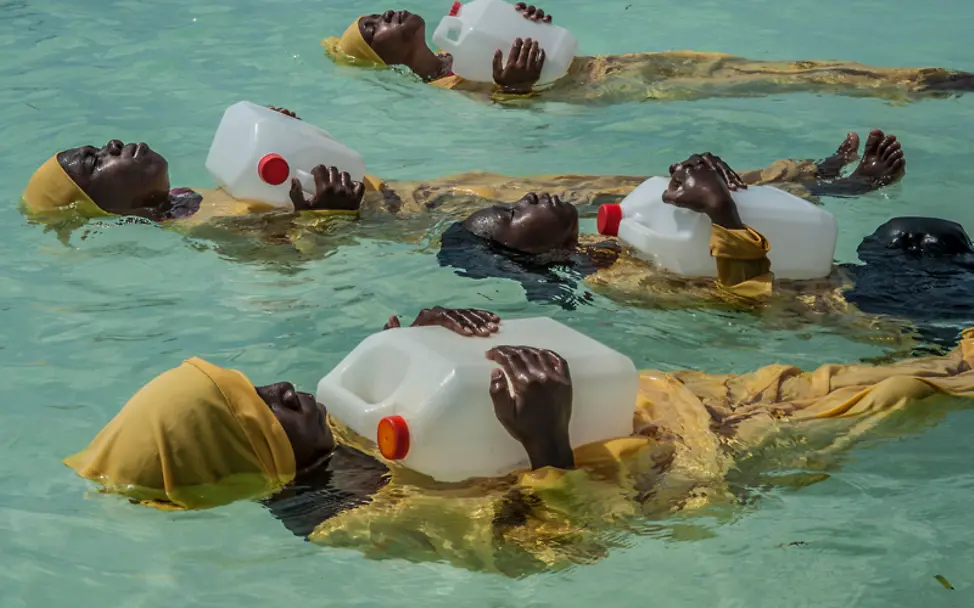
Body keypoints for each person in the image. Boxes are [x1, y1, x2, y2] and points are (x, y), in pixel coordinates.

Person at [65, 306, 974, 576]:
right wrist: (543, 443)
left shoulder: (332, 426)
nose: (279, 385)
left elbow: (444, 406)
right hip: (687, 467)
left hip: (660, 404)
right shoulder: (350, 518)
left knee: (887, 371)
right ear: (251, 456)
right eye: (256, 404)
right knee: (902, 394)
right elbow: (559, 549)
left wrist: (446, 334)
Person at [437, 130, 907, 314]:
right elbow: (743, 303)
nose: (529, 197)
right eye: (514, 214)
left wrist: (715, 183)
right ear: (527, 255)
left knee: (900, 238)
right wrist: (722, 212)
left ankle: (836, 183)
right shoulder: (612, 280)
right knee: (910, 239)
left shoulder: (619, 232)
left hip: (830, 274)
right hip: (855, 307)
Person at [323, 4, 974, 104]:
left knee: (788, 72)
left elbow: (550, 46)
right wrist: (517, 91)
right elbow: (523, 123)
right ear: (380, 58)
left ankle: (925, 81)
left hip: (617, 64)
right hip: (614, 91)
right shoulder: (446, 87)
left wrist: (536, 22)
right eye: (372, 28)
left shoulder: (453, 40)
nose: (384, 15)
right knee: (784, 82)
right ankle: (927, 84)